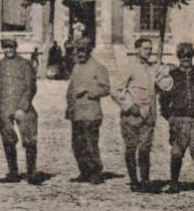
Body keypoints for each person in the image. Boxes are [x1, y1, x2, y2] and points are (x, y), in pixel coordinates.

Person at [113, 37, 173, 192]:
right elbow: (116, 90)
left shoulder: (152, 69)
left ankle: (145, 180)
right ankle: (134, 180)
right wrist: (129, 105)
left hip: (149, 115)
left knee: (145, 149)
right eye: (145, 48)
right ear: (137, 49)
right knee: (131, 148)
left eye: (150, 48)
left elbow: (161, 87)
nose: (148, 51)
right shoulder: (129, 67)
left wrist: (167, 76)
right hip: (132, 116)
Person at [160, 42, 194, 196]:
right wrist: (168, 115)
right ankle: (174, 184)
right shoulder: (172, 75)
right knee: (177, 152)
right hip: (179, 119)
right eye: (183, 55)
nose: (186, 58)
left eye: (189, 55)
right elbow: (163, 98)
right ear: (179, 57)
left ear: (192, 56)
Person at [0, 37, 39, 184]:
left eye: (11, 47)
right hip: (4, 108)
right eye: (5, 47)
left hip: (23, 107)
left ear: (16, 47)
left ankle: (31, 173)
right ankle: (13, 173)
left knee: (29, 139)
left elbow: (31, 87)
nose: (8, 50)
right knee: (8, 140)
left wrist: (23, 107)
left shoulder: (25, 64)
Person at [65, 40, 111, 183]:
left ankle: (96, 172)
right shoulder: (76, 67)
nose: (80, 54)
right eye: (78, 51)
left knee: (90, 144)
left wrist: (88, 90)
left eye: (83, 51)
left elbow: (105, 89)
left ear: (89, 51)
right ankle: (84, 171)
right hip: (77, 113)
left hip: (91, 113)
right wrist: (70, 104)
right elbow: (71, 88)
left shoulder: (99, 67)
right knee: (77, 144)